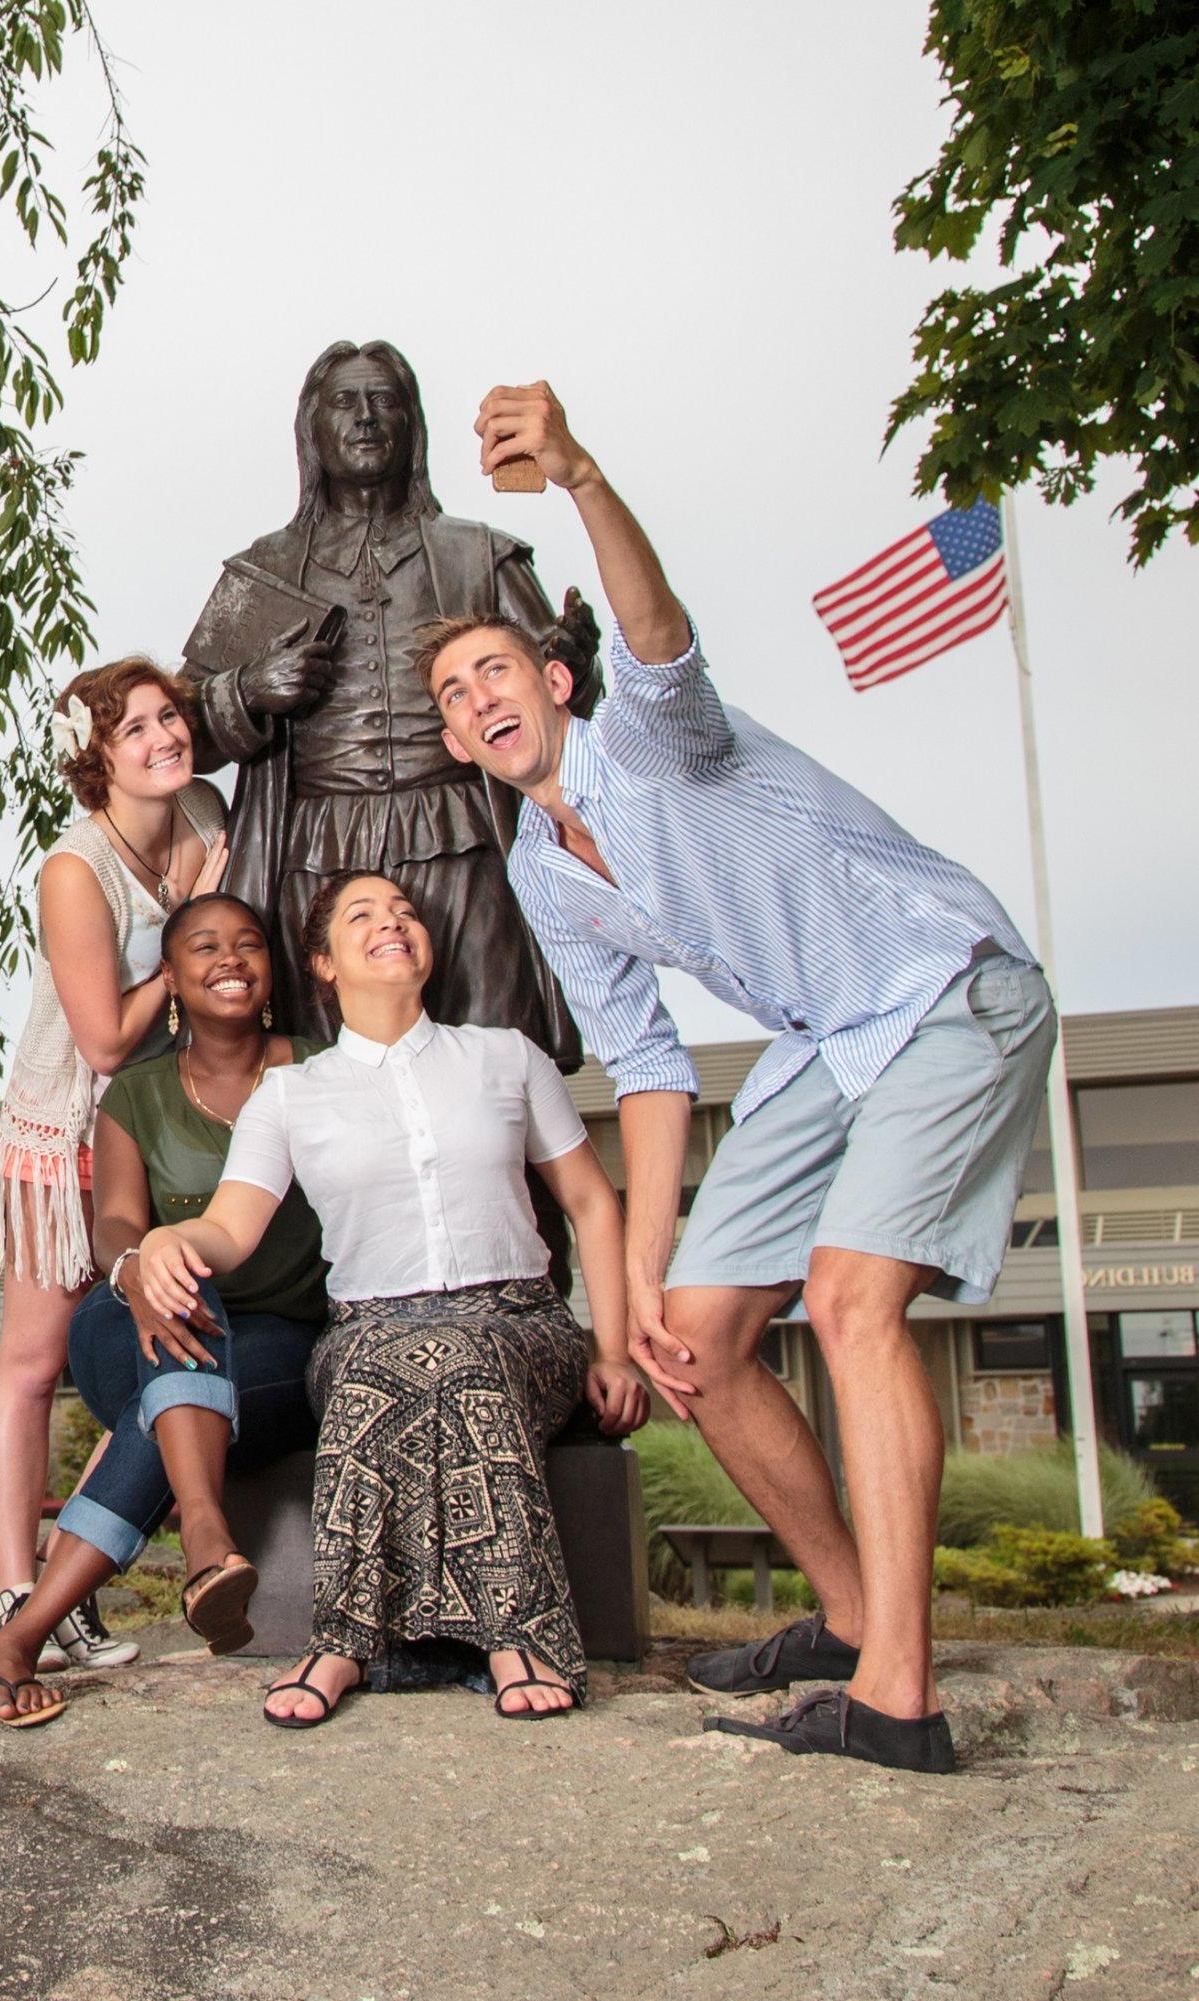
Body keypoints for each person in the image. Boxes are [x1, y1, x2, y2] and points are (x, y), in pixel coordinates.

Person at [417, 382, 1057, 1774]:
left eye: (498, 674)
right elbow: (645, 1065)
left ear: (553, 685)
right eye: (458, 700)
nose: (482, 700)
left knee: (846, 1301)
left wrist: (582, 474)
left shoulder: (652, 735)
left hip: (942, 987)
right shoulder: (543, 872)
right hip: (827, 1044)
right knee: (696, 1342)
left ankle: (898, 1695)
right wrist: (636, 1286)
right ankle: (844, 1616)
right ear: (463, 746)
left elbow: (659, 634)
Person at [137, 872, 648, 1728]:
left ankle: (515, 1633)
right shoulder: (292, 1093)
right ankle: (341, 1639)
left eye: (405, 913)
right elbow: (229, 1229)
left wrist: (614, 1347)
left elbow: (594, 1203)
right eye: (363, 916)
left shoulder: (507, 1056)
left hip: (518, 1321)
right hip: (369, 1326)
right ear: (324, 962)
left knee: (463, 1357)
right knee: (383, 1367)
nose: (393, 923)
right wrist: (164, 1241)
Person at [180, 339, 602, 1058]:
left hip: (465, 838)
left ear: (414, 426)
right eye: (345, 401)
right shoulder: (264, 570)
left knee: (500, 1061)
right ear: (312, 430)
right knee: (329, 1077)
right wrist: (247, 690)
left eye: (386, 401)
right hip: (316, 852)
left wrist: (574, 662)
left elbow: (563, 703)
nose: (368, 417)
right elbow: (180, 732)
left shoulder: (479, 554)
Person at [0, 892, 328, 1724]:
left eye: (248, 943)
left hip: (275, 1342)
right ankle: (206, 1531)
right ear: (170, 976)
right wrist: (140, 1266)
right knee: (180, 1270)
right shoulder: (132, 1094)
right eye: (204, 946)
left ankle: (17, 1638)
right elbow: (117, 1228)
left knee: (167, 1397)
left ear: (271, 970)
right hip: (130, 1316)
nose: (230, 958)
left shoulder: (322, 1070)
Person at [0, 659, 228, 1679]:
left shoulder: (204, 808)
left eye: (169, 716)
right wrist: (190, 933)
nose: (165, 737)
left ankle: (70, 1578)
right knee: (33, 1360)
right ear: (95, 758)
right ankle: (13, 1588)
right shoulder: (75, 872)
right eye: (135, 730)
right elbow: (105, 1043)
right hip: (68, 1124)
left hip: (161, 1128)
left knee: (153, 1353)